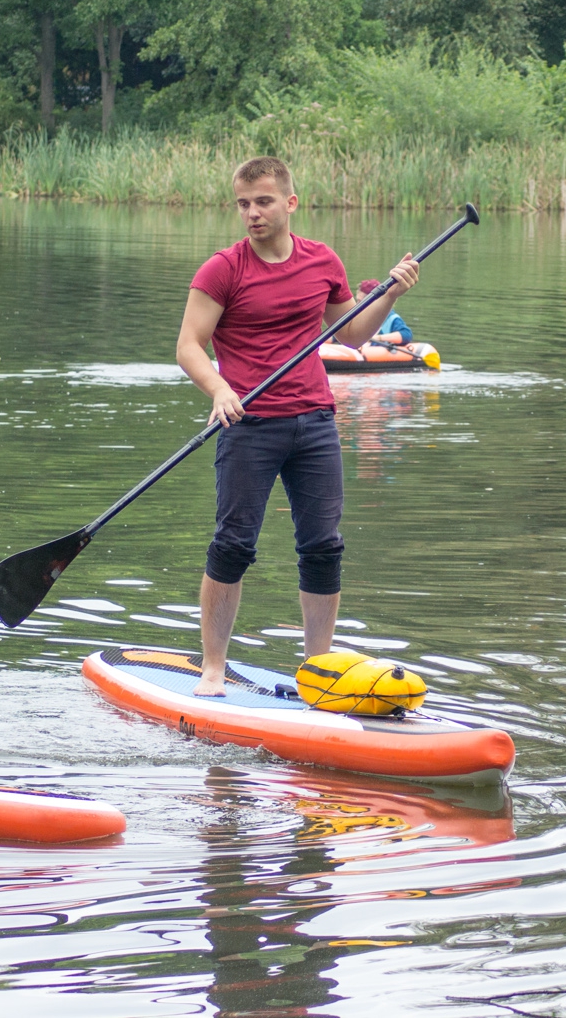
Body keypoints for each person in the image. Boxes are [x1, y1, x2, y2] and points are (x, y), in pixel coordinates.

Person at [175, 156, 418, 697]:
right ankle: (213, 668)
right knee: (233, 544)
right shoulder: (223, 269)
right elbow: (189, 345)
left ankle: (319, 671)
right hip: (249, 423)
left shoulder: (321, 261)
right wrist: (219, 390)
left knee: (323, 546)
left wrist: (392, 294)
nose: (252, 214)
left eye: (263, 202)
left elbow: (353, 335)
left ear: (290, 202)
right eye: (243, 204)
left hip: (314, 423)